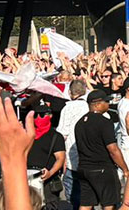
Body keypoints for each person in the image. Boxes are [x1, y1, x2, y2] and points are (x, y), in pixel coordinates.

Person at [73, 90, 126, 210]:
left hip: (84, 168)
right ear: (97, 104)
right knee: (109, 203)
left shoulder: (79, 123)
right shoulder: (104, 122)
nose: (108, 104)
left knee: (86, 204)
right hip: (102, 168)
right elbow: (112, 149)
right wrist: (125, 168)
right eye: (106, 101)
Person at [55, 80, 89, 210]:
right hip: (87, 156)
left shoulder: (68, 108)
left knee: (73, 194)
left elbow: (61, 134)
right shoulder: (89, 106)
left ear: (70, 92)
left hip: (72, 157)